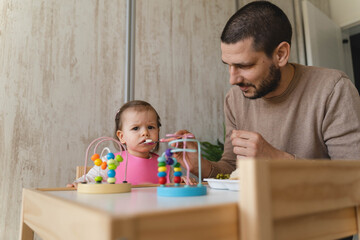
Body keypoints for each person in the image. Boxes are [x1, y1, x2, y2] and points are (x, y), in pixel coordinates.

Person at [173, 1, 360, 180]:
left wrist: (276, 159)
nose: (232, 79)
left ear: (280, 55)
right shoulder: (234, 100)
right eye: (228, 65)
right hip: (259, 211)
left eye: (244, 65)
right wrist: (199, 165)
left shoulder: (333, 89)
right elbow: (232, 168)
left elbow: (353, 176)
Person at [67, 100, 165, 187]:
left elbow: (174, 183)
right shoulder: (110, 161)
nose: (145, 133)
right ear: (122, 136)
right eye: (135, 128)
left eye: (151, 127)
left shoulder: (164, 163)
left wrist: (180, 180)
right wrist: (78, 183)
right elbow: (89, 179)